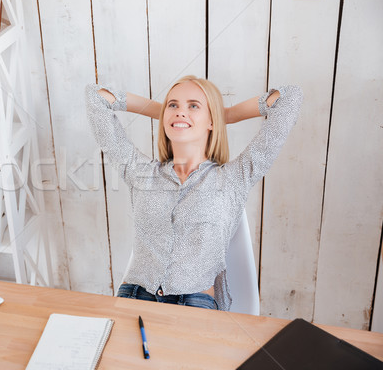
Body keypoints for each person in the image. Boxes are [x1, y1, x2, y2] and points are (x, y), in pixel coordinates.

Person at [85, 76, 302, 310]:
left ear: (212, 121)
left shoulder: (235, 177)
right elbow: (96, 97)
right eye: (173, 104)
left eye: (194, 106)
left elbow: (289, 97)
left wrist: (224, 115)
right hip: (134, 295)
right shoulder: (141, 173)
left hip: (193, 303)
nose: (180, 111)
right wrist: (167, 114)